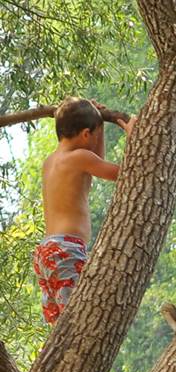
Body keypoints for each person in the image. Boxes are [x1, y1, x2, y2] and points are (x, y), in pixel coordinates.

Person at [34, 97, 131, 325]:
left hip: (47, 252)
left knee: (61, 326)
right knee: (77, 323)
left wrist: (101, 126)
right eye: (96, 135)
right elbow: (126, 172)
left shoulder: (51, 162)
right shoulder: (80, 158)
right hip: (67, 250)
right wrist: (133, 135)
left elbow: (97, 161)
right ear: (86, 135)